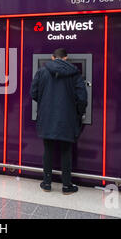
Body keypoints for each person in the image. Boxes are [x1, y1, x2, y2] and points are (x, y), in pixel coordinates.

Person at [30, 48, 87, 195]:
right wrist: (78, 113)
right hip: (67, 118)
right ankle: (66, 185)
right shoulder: (75, 74)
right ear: (66, 58)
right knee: (66, 151)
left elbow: (33, 93)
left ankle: (47, 183)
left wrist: (44, 104)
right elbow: (82, 98)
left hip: (47, 116)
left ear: (52, 57)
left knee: (48, 150)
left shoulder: (42, 71)